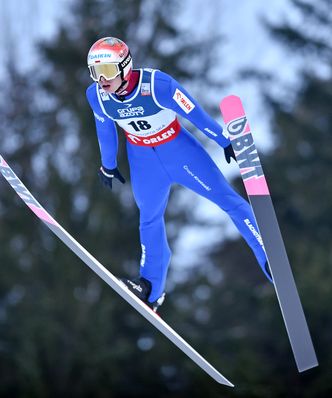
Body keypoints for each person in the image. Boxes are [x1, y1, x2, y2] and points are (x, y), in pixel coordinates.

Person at [86, 37, 272, 312]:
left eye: (109, 72)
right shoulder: (97, 96)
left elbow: (193, 111)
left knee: (228, 200)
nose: (103, 80)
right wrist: (108, 164)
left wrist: (223, 140)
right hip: (143, 159)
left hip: (179, 151)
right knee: (149, 219)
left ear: (125, 67)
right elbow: (104, 130)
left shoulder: (157, 86)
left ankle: (268, 256)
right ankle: (150, 288)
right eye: (96, 72)